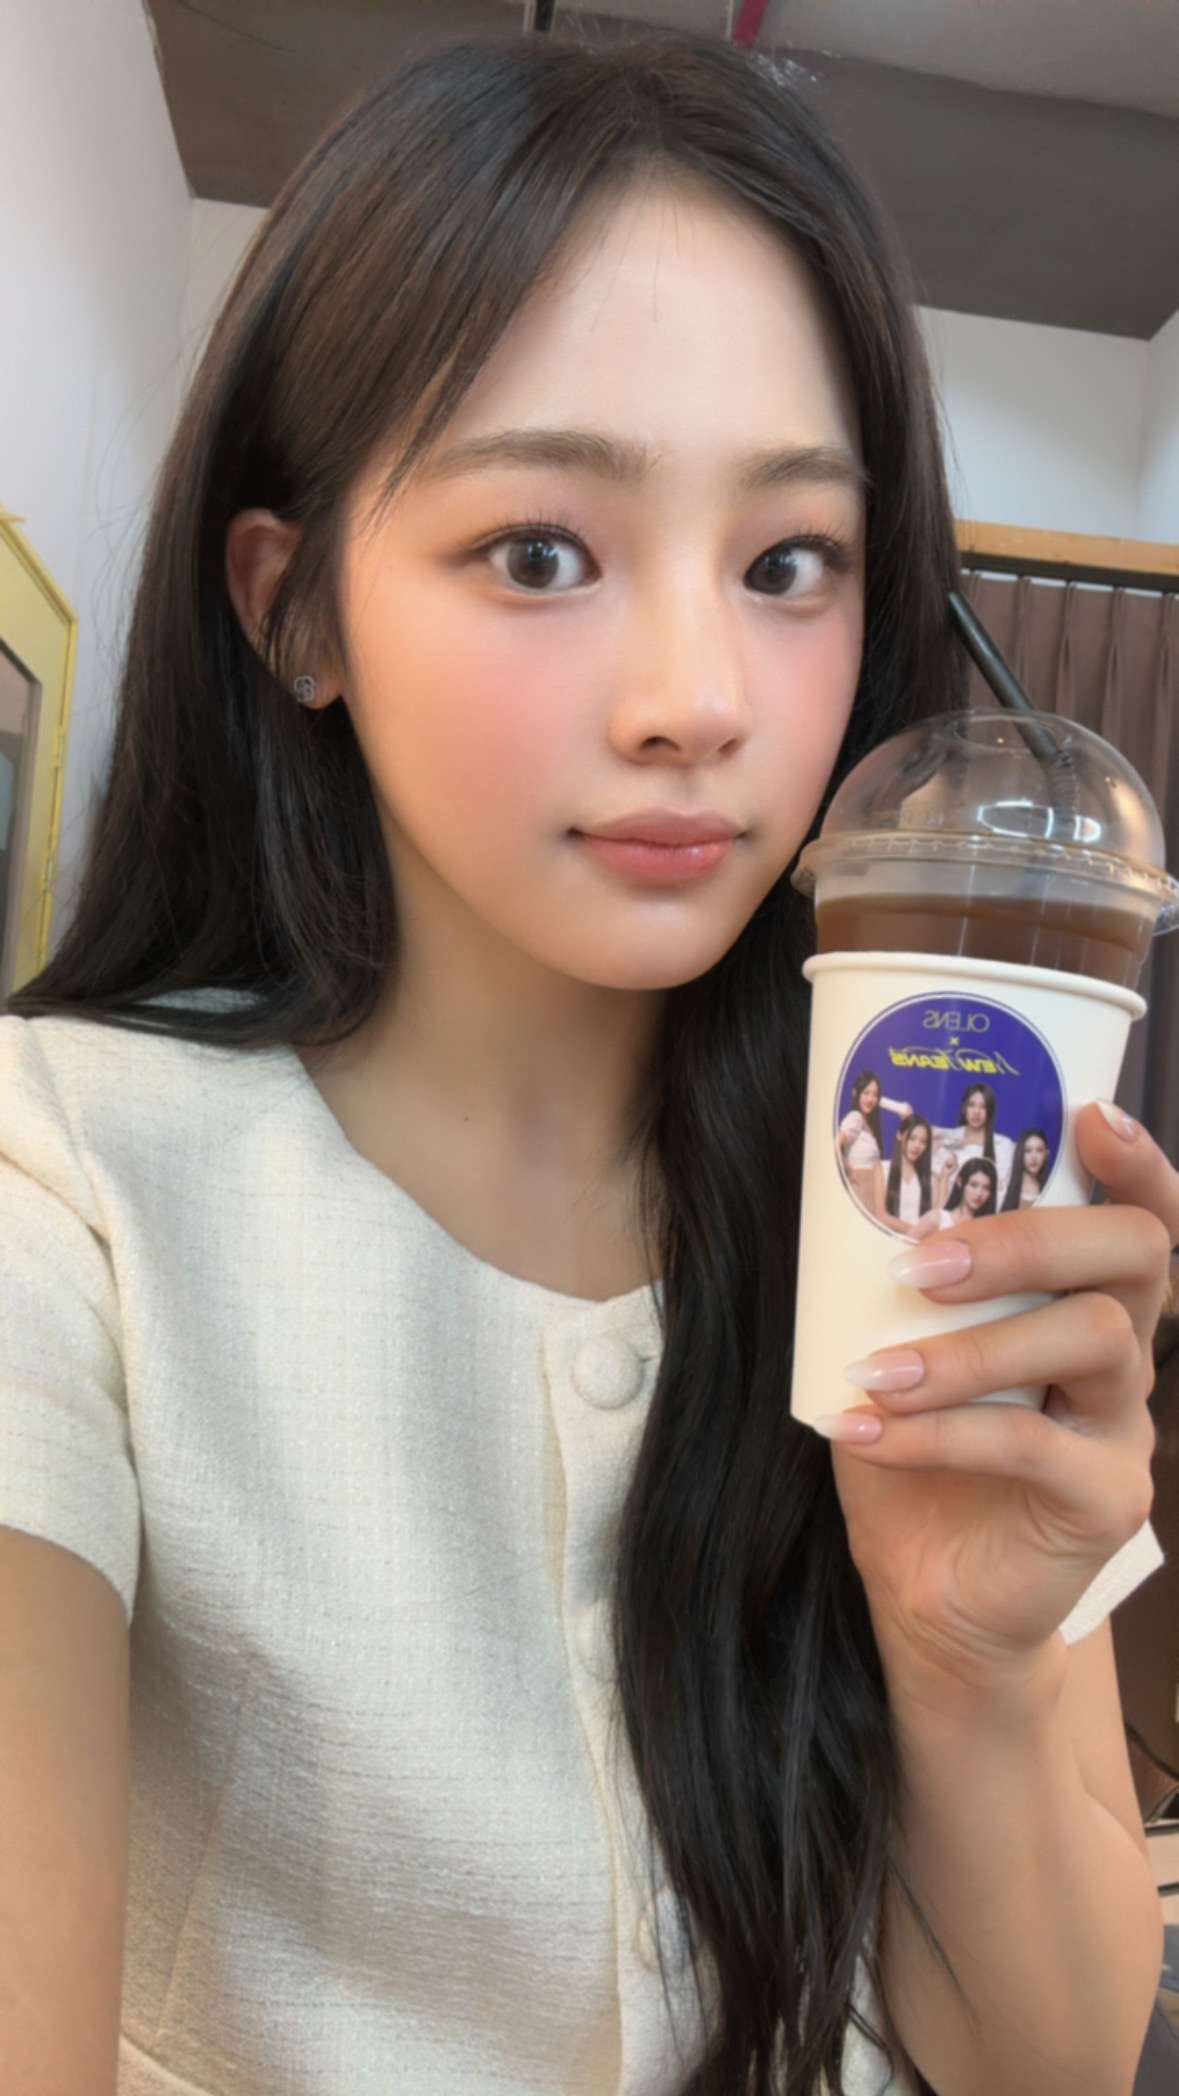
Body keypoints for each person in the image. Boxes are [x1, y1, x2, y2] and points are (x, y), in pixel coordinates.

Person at [0, 30, 1170, 2096]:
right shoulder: (66, 1189)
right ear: (294, 612)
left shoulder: (911, 1209)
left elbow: (1053, 2065)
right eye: (540, 549)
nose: (694, 698)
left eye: (786, 561)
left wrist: (968, 1655)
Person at [929, 1081, 1016, 1208]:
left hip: (986, 1214)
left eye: (983, 1107)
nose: (976, 1112)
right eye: (972, 1105)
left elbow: (1001, 1191)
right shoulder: (946, 1139)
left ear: (990, 1111)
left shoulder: (1004, 1145)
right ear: (964, 1108)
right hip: (949, 1211)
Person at [835, 1069, 913, 1208]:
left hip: (871, 1190)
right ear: (855, 1093)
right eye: (866, 1093)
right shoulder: (855, 1117)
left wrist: (905, 1120)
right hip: (860, 1190)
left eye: (875, 1095)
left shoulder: (869, 1126)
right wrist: (848, 1170)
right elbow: (836, 1145)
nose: (870, 1099)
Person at [907, 1155, 1000, 1239]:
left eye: (986, 1188)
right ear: (960, 1182)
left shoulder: (988, 1231)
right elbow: (905, 1245)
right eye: (974, 1185)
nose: (979, 1193)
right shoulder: (936, 1219)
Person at [873, 1112, 936, 1235]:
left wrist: (944, 1179)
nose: (917, 1146)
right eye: (912, 1138)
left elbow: (935, 1218)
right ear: (899, 1135)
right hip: (891, 1239)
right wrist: (918, 1232)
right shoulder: (882, 1168)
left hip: (920, 1243)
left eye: (923, 1142)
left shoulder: (929, 1178)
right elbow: (881, 1216)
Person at [1000, 1127, 1052, 1211]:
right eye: (1028, 1151)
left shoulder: (1051, 1187)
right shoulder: (1005, 1186)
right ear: (1020, 1153)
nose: (1034, 1157)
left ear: (1046, 1154)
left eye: (1039, 1151)